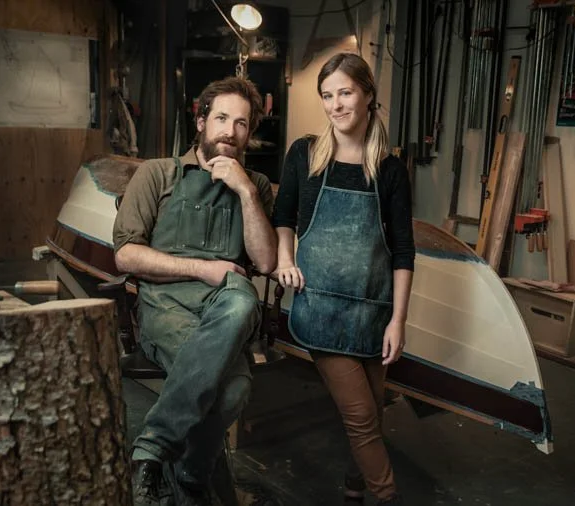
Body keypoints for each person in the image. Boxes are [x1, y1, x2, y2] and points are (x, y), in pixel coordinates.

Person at [112, 76, 277, 506]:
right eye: (221, 118)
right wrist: (204, 269)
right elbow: (126, 256)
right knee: (234, 390)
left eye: (241, 124)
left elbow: (265, 262)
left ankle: (152, 448)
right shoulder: (157, 173)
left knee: (242, 297)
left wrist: (243, 190)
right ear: (201, 120)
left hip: (225, 310)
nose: (230, 131)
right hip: (165, 306)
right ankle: (191, 475)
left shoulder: (255, 186)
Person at [272, 52, 415, 505]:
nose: (335, 105)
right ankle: (385, 495)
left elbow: (404, 252)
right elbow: (284, 216)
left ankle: (355, 485)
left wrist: (398, 321)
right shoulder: (305, 154)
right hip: (321, 309)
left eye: (345, 92)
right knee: (360, 417)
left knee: (373, 411)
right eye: (327, 95)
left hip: (373, 312)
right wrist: (284, 259)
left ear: (369, 95)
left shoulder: (390, 171)